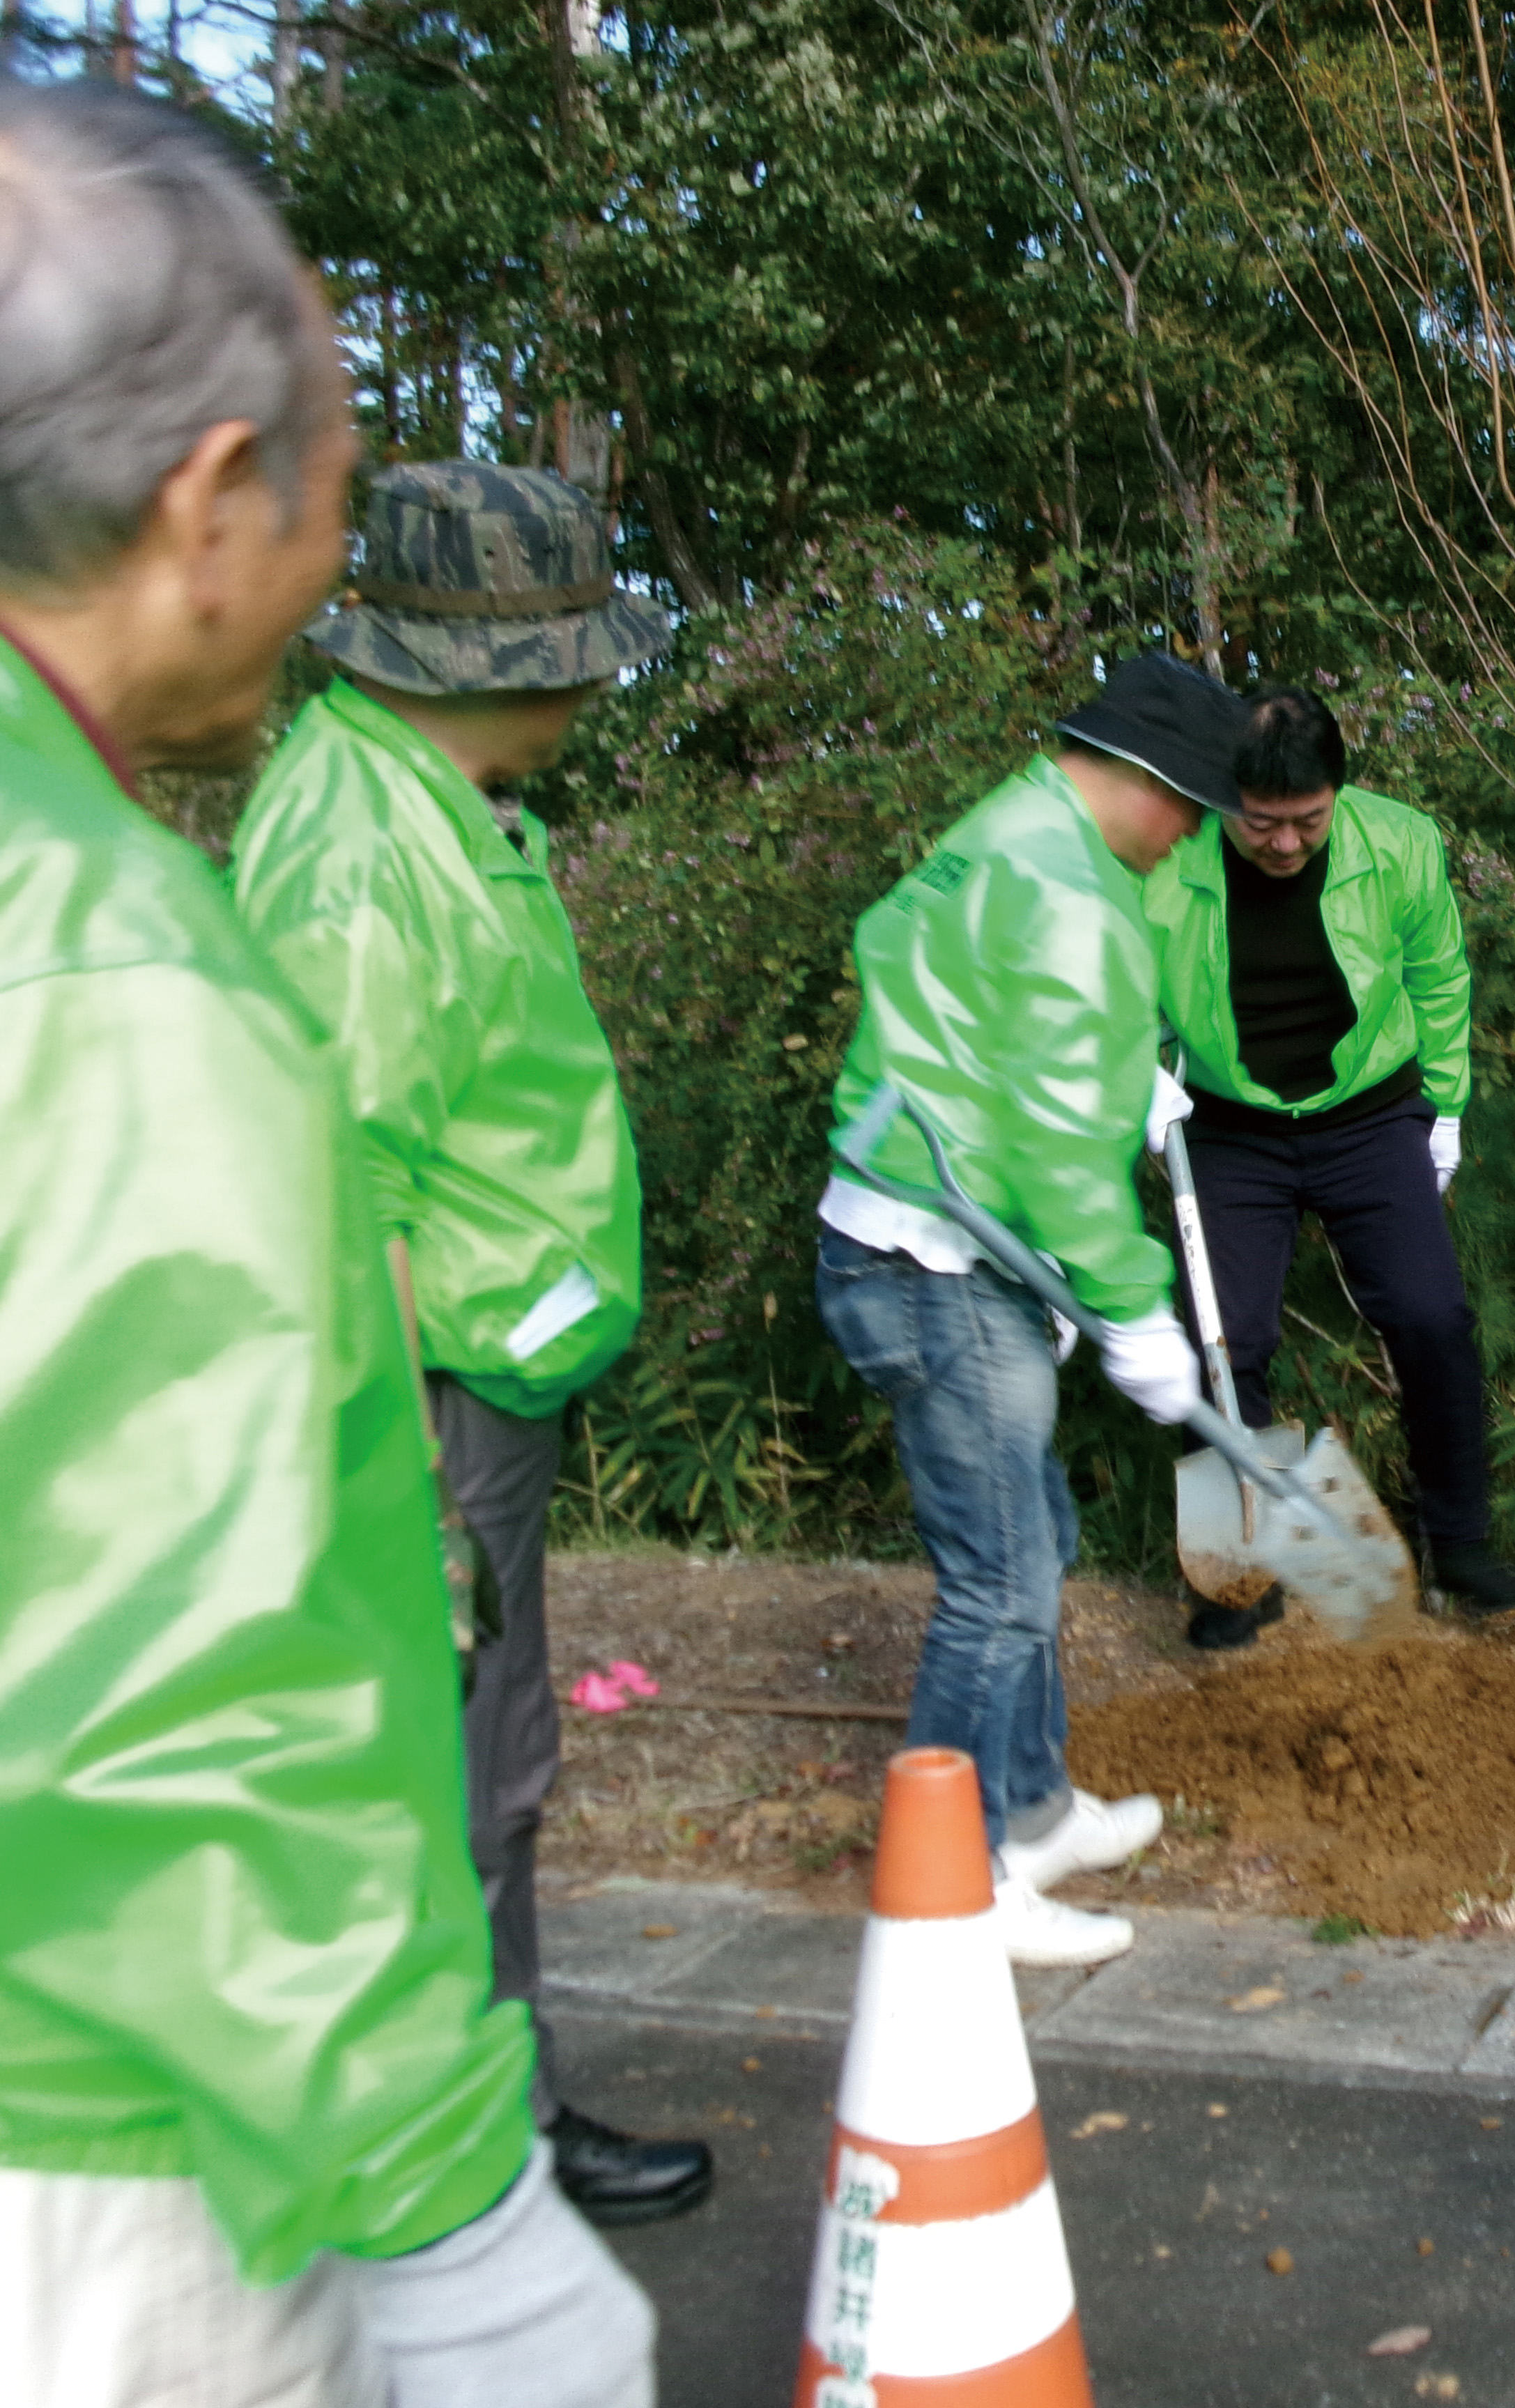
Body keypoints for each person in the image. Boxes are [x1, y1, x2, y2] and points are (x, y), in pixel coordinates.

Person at [0, 81, 651, 2405]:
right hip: (85, 2142)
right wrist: (445, 2204)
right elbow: (192, 1650)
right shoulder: (113, 942)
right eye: (332, 485)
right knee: (460, 1774)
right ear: (207, 503)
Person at [233, 460, 713, 2230]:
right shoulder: (360, 851)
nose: (593, 686)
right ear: (486, 660)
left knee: (473, 1756)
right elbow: (335, 1173)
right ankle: (464, 2154)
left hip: (467, 1371)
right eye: (573, 651)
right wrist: (407, 1471)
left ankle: (481, 2111)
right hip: (416, 1388)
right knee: (461, 1766)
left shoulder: (429, 802)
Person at [818, 651, 1219, 1966]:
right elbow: (1052, 1143)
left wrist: (1123, 1085)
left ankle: (1036, 1805)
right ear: (1152, 789)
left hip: (929, 1229)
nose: (1190, 841)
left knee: (1030, 1528)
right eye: (1194, 811)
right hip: (933, 1263)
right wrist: (1128, 1308)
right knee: (998, 1580)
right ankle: (960, 1876)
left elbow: (907, 964)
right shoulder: (1067, 893)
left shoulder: (1006, 829)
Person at [1140, 686, 1512, 1642]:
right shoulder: (1168, 865)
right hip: (1226, 1124)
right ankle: (1234, 1578)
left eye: (1308, 821)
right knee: (1223, 1344)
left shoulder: (1402, 844)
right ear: (1227, 802)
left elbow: (1437, 973)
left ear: (1338, 796)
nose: (1286, 845)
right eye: (1263, 825)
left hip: (1373, 1114)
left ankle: (1461, 1543)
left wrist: (1449, 1108)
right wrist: (1136, 1071)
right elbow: (1123, 984)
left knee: (1432, 1316)